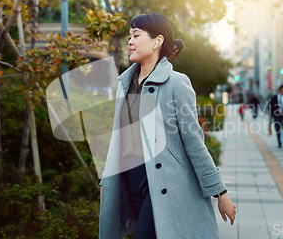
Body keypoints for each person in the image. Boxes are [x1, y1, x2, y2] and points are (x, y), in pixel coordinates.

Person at [98, 13, 236, 239]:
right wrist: (108, 180)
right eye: (129, 36)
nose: (129, 41)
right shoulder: (125, 84)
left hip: (161, 188)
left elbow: (194, 143)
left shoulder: (176, 83)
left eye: (136, 35)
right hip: (130, 183)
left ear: (157, 41)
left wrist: (220, 192)